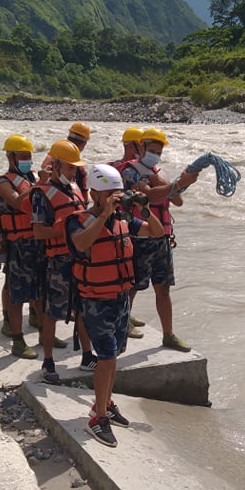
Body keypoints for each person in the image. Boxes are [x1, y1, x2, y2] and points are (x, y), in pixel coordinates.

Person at [67, 163, 164, 448]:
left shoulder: (123, 220)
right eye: (109, 193)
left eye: (117, 194)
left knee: (115, 355)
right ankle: (97, 417)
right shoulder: (79, 219)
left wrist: (144, 208)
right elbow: (81, 243)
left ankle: (105, 403)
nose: (115, 198)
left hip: (120, 299)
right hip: (96, 300)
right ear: (94, 193)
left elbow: (155, 232)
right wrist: (104, 214)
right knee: (107, 356)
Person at [119, 127, 198, 350]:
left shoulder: (156, 172)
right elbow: (149, 195)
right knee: (132, 286)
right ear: (141, 147)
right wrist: (177, 184)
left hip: (161, 239)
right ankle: (123, 323)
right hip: (140, 237)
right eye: (152, 149)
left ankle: (168, 334)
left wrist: (183, 183)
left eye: (159, 151)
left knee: (163, 288)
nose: (155, 154)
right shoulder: (130, 172)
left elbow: (177, 201)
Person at [31, 139, 97, 383]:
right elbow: (38, 232)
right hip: (57, 261)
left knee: (81, 307)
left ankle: (87, 355)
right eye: (70, 167)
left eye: (75, 167)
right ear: (56, 165)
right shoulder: (42, 195)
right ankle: (48, 362)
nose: (74, 171)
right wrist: (62, 229)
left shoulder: (77, 189)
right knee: (54, 311)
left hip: (78, 258)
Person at [0, 134, 46, 359]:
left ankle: (43, 331)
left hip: (37, 241)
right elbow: (18, 202)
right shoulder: (3, 183)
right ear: (10, 157)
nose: (28, 160)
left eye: (29, 156)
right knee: (16, 292)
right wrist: (39, 185)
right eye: (23, 156)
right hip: (17, 243)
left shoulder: (32, 177)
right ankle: (18, 340)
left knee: (40, 290)